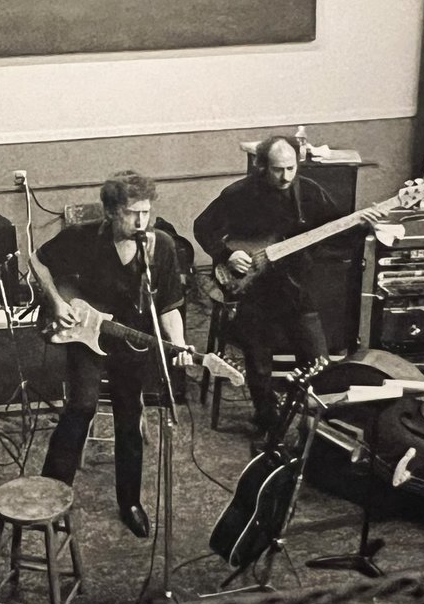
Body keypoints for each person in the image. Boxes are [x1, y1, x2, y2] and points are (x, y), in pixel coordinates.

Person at [31, 171, 187, 539]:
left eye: (146, 212)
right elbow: (38, 261)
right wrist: (55, 302)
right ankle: (50, 494)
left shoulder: (161, 246)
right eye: (132, 213)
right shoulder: (82, 237)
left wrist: (178, 344)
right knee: (81, 407)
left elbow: (169, 305)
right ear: (111, 212)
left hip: (131, 342)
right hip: (86, 335)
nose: (140, 221)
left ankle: (130, 502)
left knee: (129, 417)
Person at [194, 134, 381, 436]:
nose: (286, 176)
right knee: (259, 363)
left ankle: (317, 425)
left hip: (296, 288)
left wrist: (363, 224)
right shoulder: (238, 194)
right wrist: (228, 255)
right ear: (261, 167)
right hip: (253, 292)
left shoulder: (310, 193)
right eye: (278, 169)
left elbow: (338, 233)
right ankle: (267, 420)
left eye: (291, 168)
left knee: (319, 361)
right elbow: (203, 227)